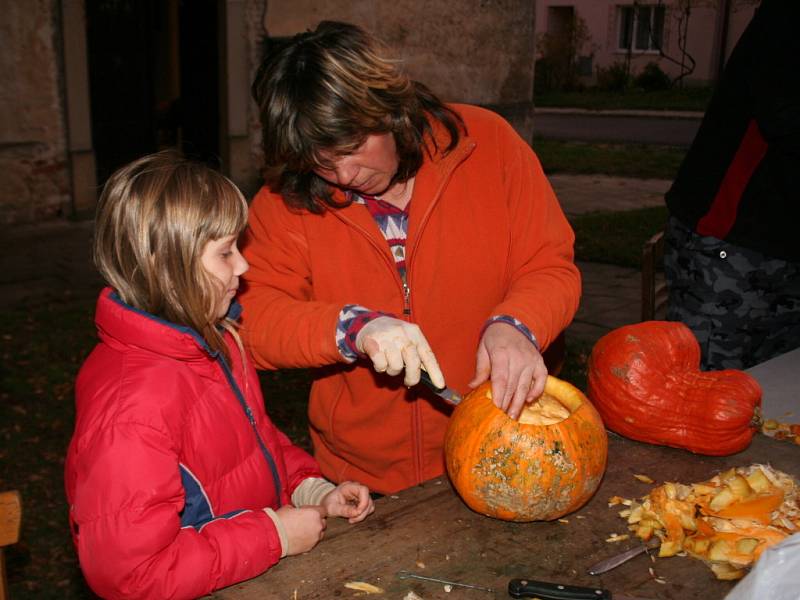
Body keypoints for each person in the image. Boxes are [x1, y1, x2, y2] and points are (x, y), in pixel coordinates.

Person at [240, 21, 580, 494]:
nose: (342, 174)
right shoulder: (285, 203)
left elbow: (550, 265)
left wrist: (518, 325)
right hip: (362, 478)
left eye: (352, 148)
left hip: (502, 450)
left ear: (389, 109)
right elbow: (250, 322)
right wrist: (350, 328)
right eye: (320, 160)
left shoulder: (490, 145)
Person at [64, 152, 374, 599]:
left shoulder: (216, 340)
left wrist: (308, 490)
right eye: (226, 252)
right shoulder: (131, 410)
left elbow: (252, 444)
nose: (244, 267)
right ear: (169, 269)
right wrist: (273, 536)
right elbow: (130, 576)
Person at [664, 0, 800, 370]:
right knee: (701, 394)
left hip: (784, 246)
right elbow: (781, 112)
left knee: (780, 403)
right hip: (733, 243)